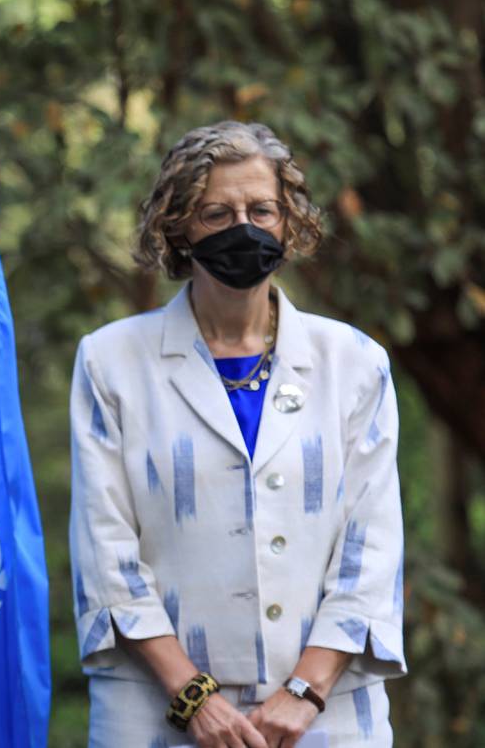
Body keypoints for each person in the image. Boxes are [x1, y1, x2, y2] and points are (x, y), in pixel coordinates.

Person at [68, 121, 405, 747]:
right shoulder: (110, 362)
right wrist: (195, 700)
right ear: (179, 228)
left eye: (262, 209)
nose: (242, 228)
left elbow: (372, 550)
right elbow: (106, 555)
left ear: (289, 220)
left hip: (326, 717)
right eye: (216, 213)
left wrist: (303, 692)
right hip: (156, 717)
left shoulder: (355, 363)